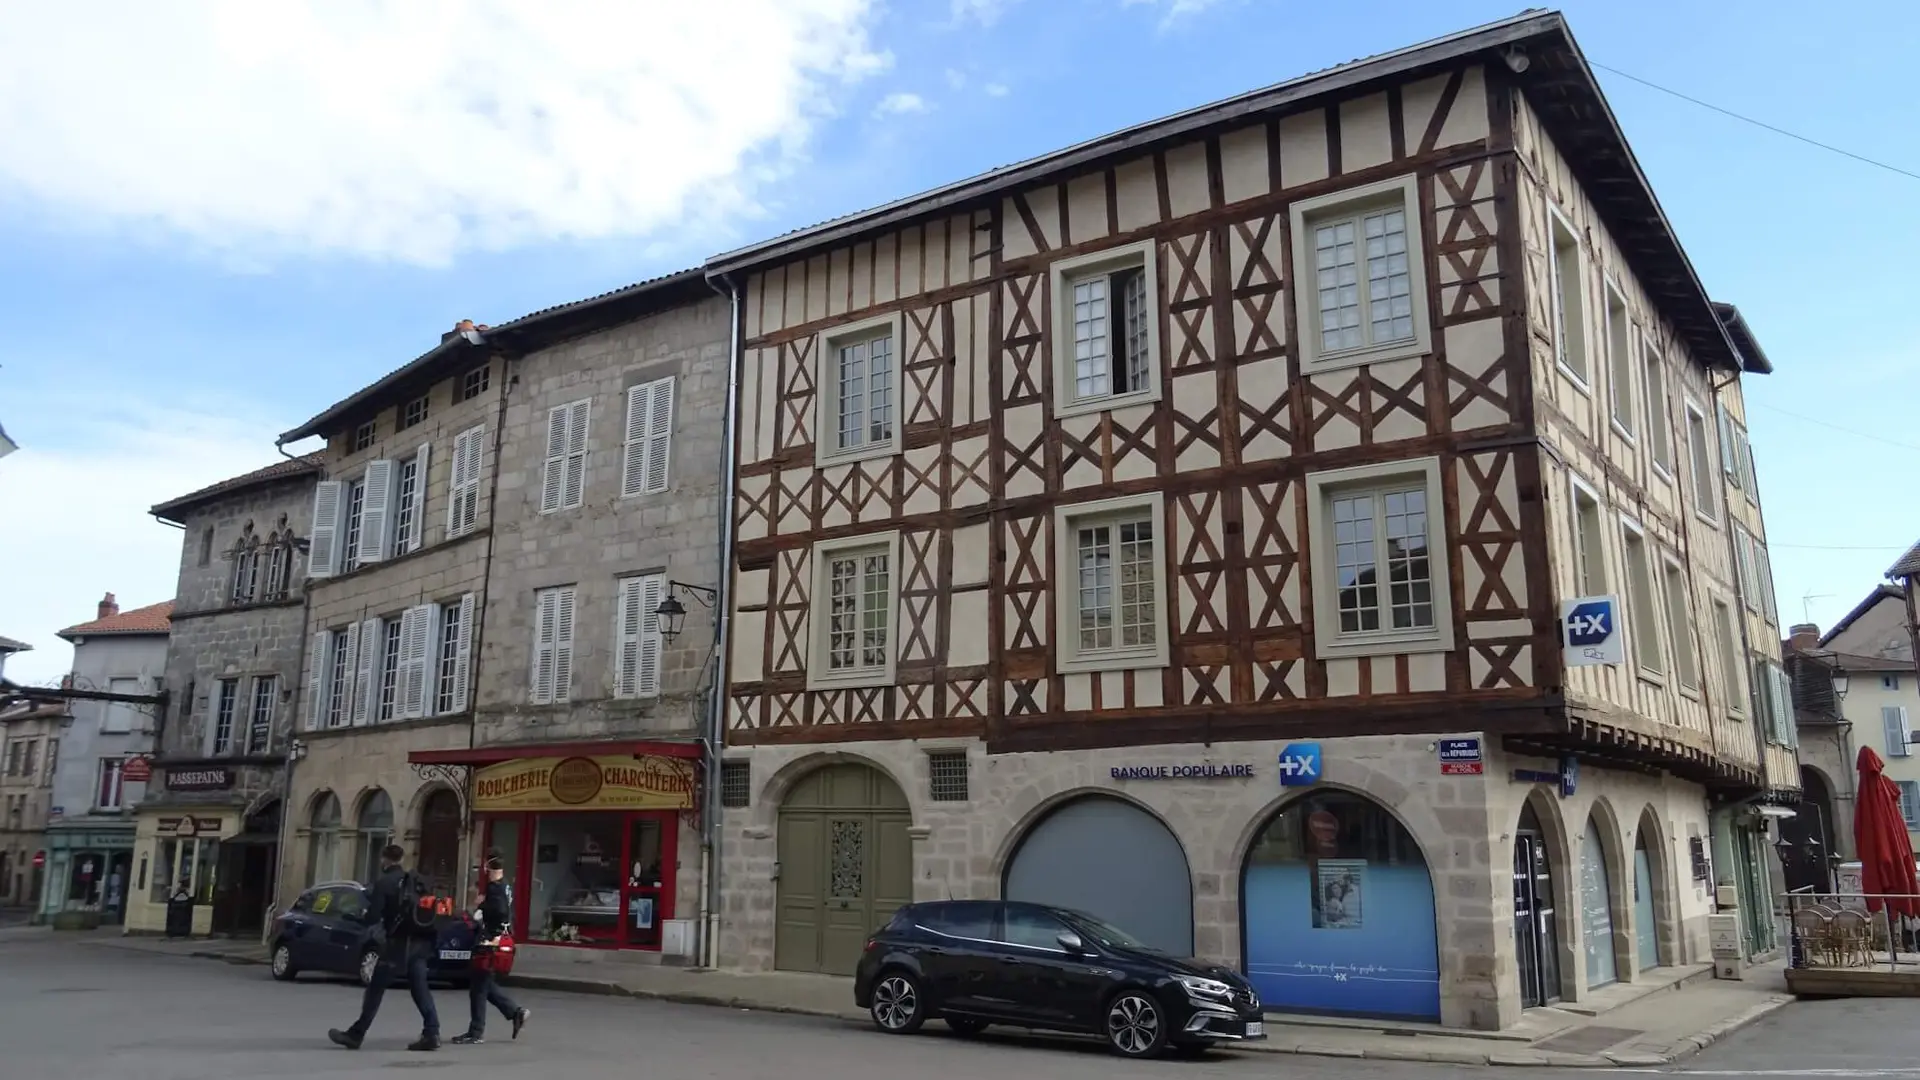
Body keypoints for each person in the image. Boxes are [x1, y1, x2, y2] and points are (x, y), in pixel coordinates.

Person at [328, 844, 440, 1052]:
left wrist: (362, 913)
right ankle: (432, 1032)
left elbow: (373, 917)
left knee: (375, 989)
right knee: (420, 988)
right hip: (419, 942)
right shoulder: (412, 881)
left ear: (385, 859)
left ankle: (356, 1034)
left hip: (397, 945)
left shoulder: (384, 883)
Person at [452, 851, 529, 1044]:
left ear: (488, 865)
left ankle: (476, 1032)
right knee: (483, 983)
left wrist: (482, 906)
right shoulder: (505, 886)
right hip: (497, 939)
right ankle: (515, 1012)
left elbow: (500, 910)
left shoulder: (494, 888)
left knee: (478, 986)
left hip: (489, 941)